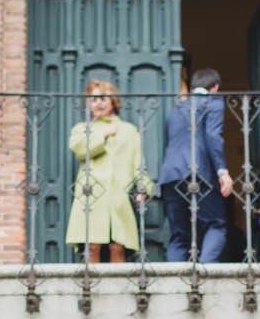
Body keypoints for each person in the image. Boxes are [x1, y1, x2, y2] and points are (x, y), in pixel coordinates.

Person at [66, 78, 149, 264]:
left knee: (117, 245)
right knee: (92, 244)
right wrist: (102, 133)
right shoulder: (82, 129)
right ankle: (89, 290)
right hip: (91, 193)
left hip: (118, 193)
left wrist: (144, 188)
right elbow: (79, 149)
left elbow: (138, 163)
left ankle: (120, 292)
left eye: (103, 98)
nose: (98, 103)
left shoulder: (129, 130)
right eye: (93, 100)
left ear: (112, 101)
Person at [157, 68, 234, 263]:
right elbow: (213, 136)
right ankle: (206, 274)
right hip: (198, 172)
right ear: (215, 87)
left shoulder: (176, 108)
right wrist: (223, 172)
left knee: (178, 235)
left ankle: (174, 283)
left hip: (170, 175)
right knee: (216, 224)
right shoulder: (214, 102)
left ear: (193, 87)